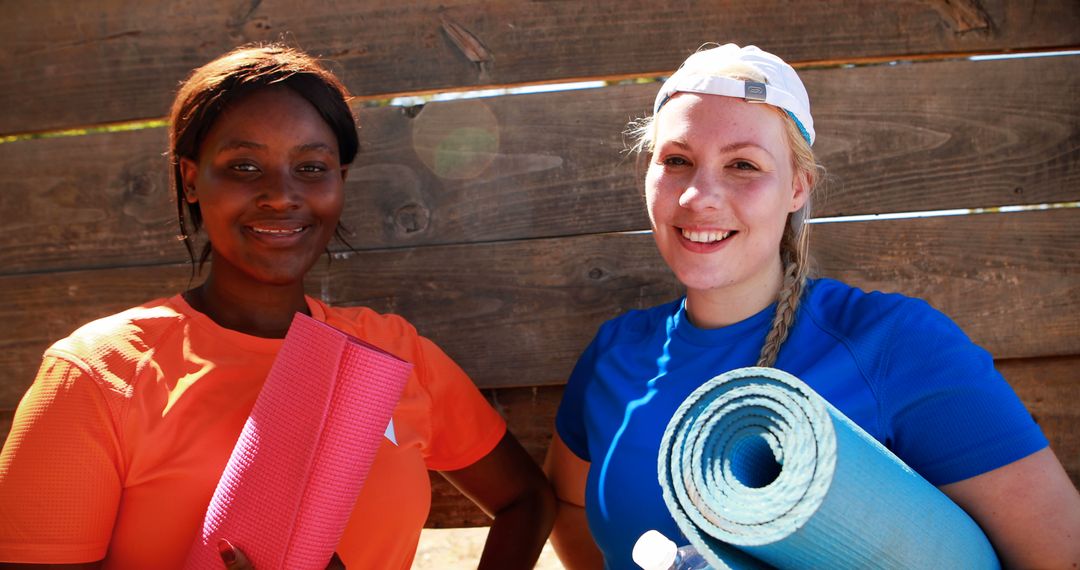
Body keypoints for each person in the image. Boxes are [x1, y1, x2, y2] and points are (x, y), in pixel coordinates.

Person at [0, 44, 555, 569]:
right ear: (193, 180)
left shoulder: (391, 352)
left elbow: (528, 498)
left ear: (340, 182)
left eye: (311, 168)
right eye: (244, 167)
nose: (281, 194)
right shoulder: (100, 375)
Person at [544, 43, 1080, 569]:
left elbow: (1061, 556)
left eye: (744, 165)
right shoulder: (613, 357)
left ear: (798, 187)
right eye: (677, 160)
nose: (698, 196)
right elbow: (568, 505)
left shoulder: (898, 347)